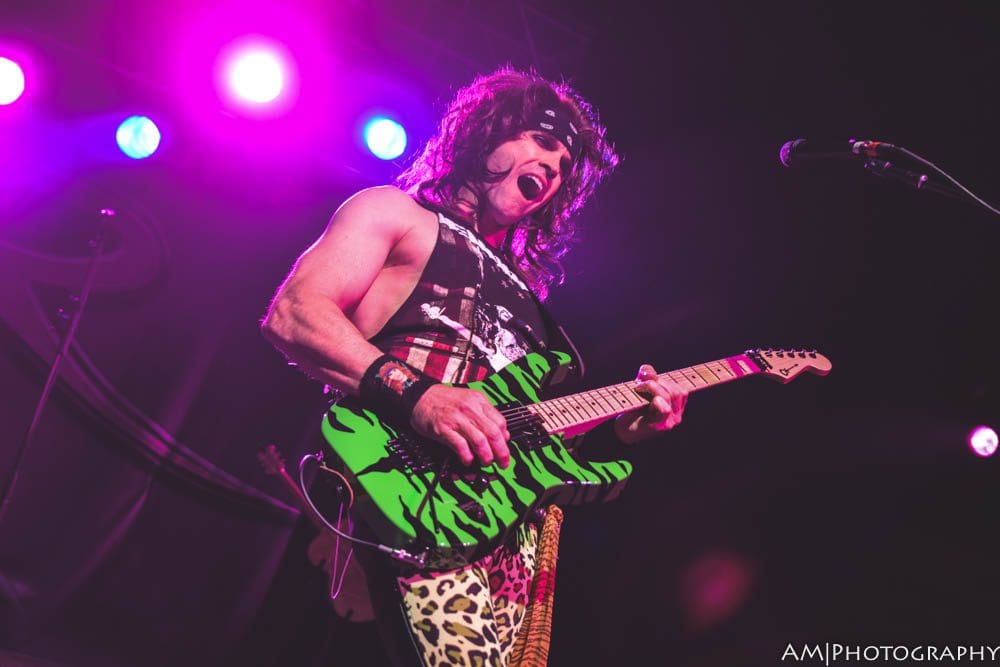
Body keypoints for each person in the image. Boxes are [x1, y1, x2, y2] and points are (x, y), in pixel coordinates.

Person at [261, 67, 689, 667]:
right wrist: (422, 397)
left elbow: (532, 438)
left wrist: (621, 430)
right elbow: (296, 313)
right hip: (405, 492)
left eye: (563, 164)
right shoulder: (398, 214)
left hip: (507, 530)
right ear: (488, 134)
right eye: (542, 141)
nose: (553, 166)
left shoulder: (535, 309)